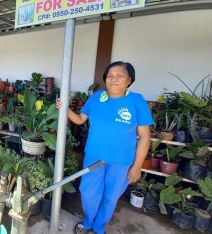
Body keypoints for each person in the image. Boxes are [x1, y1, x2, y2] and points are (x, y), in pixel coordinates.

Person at [56, 61, 153, 234]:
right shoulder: (96, 97)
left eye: (119, 76)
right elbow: (80, 120)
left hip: (121, 161)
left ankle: (99, 226)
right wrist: (63, 108)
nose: (113, 79)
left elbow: (145, 137)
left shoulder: (136, 100)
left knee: (110, 197)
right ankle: (88, 221)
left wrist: (137, 166)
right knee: (88, 192)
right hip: (94, 156)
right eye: (110, 76)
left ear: (129, 80)